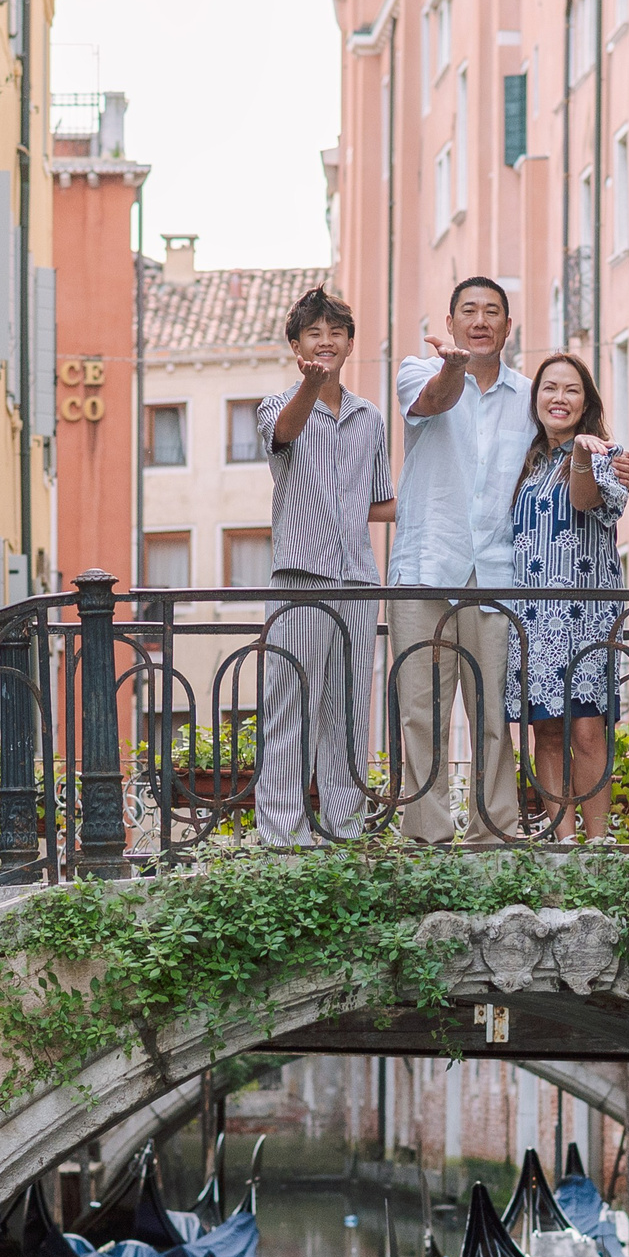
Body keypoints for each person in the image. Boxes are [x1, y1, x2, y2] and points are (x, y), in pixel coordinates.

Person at [391, 278, 629, 842]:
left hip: (503, 578)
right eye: (469, 311)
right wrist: (451, 367)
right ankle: (428, 840)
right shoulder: (418, 372)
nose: (480, 321)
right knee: (421, 710)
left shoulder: (530, 399)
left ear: (508, 327)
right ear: (450, 322)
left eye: (492, 312)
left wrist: (621, 464)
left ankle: (494, 836)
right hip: (428, 564)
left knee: (496, 719)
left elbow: (572, 441)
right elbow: (432, 401)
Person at [253, 287, 393, 847]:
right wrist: (312, 385)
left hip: (358, 581)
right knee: (290, 704)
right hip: (300, 577)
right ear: (296, 345)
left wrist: (445, 501)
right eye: (315, 332)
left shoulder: (370, 418)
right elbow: (284, 435)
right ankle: (282, 837)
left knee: (350, 709)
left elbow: (378, 500)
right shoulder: (277, 406)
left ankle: (344, 832)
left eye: (336, 332)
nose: (326, 341)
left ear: (350, 342)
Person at [506, 352, 627, 842]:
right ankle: (563, 840)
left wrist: (581, 453)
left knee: (587, 729)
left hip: (587, 615)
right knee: (548, 731)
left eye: (571, 389)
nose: (560, 397)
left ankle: (597, 843)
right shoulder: (525, 463)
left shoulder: (610, 456)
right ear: (535, 400)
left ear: (586, 401)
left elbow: (583, 500)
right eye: (549, 388)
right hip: (532, 617)